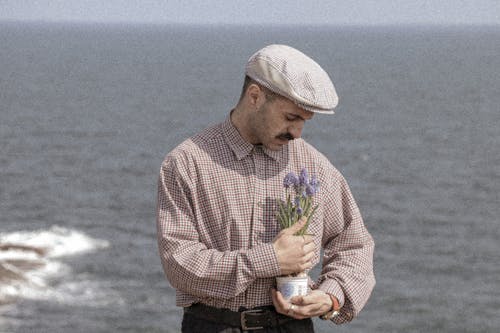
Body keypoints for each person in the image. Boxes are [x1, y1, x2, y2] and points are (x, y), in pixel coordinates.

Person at [157, 44, 375, 332]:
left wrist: (331, 296)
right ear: (255, 96)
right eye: (290, 118)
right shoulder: (186, 163)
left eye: (304, 122)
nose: (297, 133)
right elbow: (180, 264)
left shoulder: (315, 166)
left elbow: (354, 244)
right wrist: (269, 259)